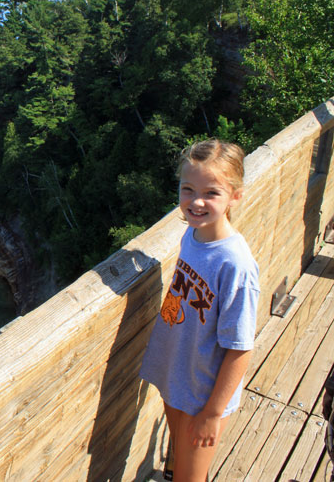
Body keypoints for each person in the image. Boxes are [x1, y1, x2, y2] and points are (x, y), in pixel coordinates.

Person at [140, 139, 260, 482]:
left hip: (205, 392)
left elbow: (240, 347)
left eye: (212, 193)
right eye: (188, 189)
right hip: (178, 372)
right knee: (178, 454)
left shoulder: (235, 264)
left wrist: (213, 412)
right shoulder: (192, 235)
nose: (196, 201)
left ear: (235, 196)